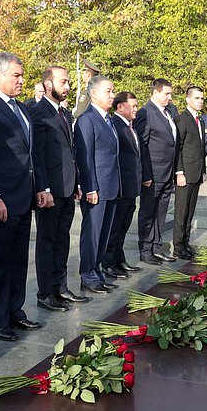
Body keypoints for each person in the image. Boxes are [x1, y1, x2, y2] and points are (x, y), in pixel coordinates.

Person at [0, 52, 49, 341]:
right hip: (3, 199)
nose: (22, 80)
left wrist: (41, 187)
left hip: (24, 196)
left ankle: (16, 311)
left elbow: (31, 153)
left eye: (22, 74)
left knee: (18, 259)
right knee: (0, 260)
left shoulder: (21, 108)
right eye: (16, 75)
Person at [28, 66, 88, 312]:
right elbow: (37, 154)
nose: (68, 86)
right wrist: (44, 187)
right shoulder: (38, 112)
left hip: (66, 188)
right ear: (48, 85)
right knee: (47, 242)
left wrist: (75, 183)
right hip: (50, 190)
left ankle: (60, 287)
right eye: (63, 82)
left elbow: (69, 152)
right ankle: (45, 293)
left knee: (62, 240)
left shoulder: (64, 113)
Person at [74, 75, 121, 294]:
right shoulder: (87, 119)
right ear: (93, 94)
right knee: (92, 234)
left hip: (111, 186)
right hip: (97, 188)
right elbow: (85, 157)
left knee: (104, 233)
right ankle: (88, 274)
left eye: (112, 91)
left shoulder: (107, 119)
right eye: (107, 91)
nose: (112, 95)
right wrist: (90, 186)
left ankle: (97, 272)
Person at [135, 78, 177, 265]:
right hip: (153, 173)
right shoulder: (146, 112)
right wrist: (145, 174)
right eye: (167, 93)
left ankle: (157, 247)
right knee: (147, 212)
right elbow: (141, 145)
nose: (170, 97)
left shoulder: (167, 112)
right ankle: (145, 250)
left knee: (161, 212)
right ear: (156, 92)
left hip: (167, 172)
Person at [104, 91, 145, 278]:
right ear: (120, 106)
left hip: (131, 186)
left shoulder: (130, 126)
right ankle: (109, 262)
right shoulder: (115, 126)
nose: (136, 109)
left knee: (124, 226)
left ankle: (119, 259)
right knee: (115, 227)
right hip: (120, 187)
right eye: (133, 106)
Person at [173, 86, 207, 260]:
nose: (200, 101)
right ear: (187, 100)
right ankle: (178, 246)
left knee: (190, 210)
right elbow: (178, 147)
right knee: (181, 211)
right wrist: (179, 172)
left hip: (196, 172)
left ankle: (185, 242)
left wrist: (202, 170)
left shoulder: (200, 121)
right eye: (196, 98)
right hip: (184, 173)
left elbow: (200, 148)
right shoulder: (182, 119)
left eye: (202, 98)